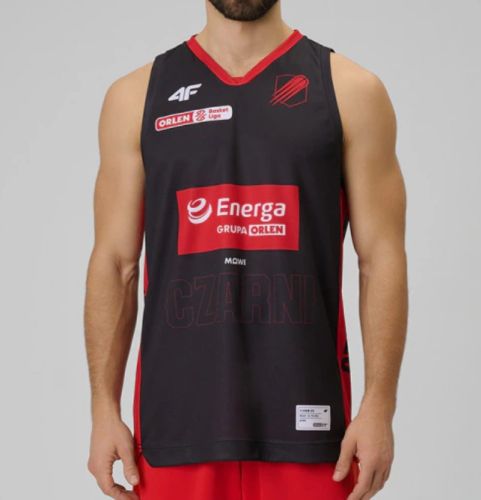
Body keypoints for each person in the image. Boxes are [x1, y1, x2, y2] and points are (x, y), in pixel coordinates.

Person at [84, 1, 408, 499]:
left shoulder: (350, 90)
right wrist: (103, 409)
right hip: (175, 429)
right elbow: (114, 263)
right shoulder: (135, 96)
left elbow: (381, 257)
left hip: (312, 427)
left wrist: (380, 406)